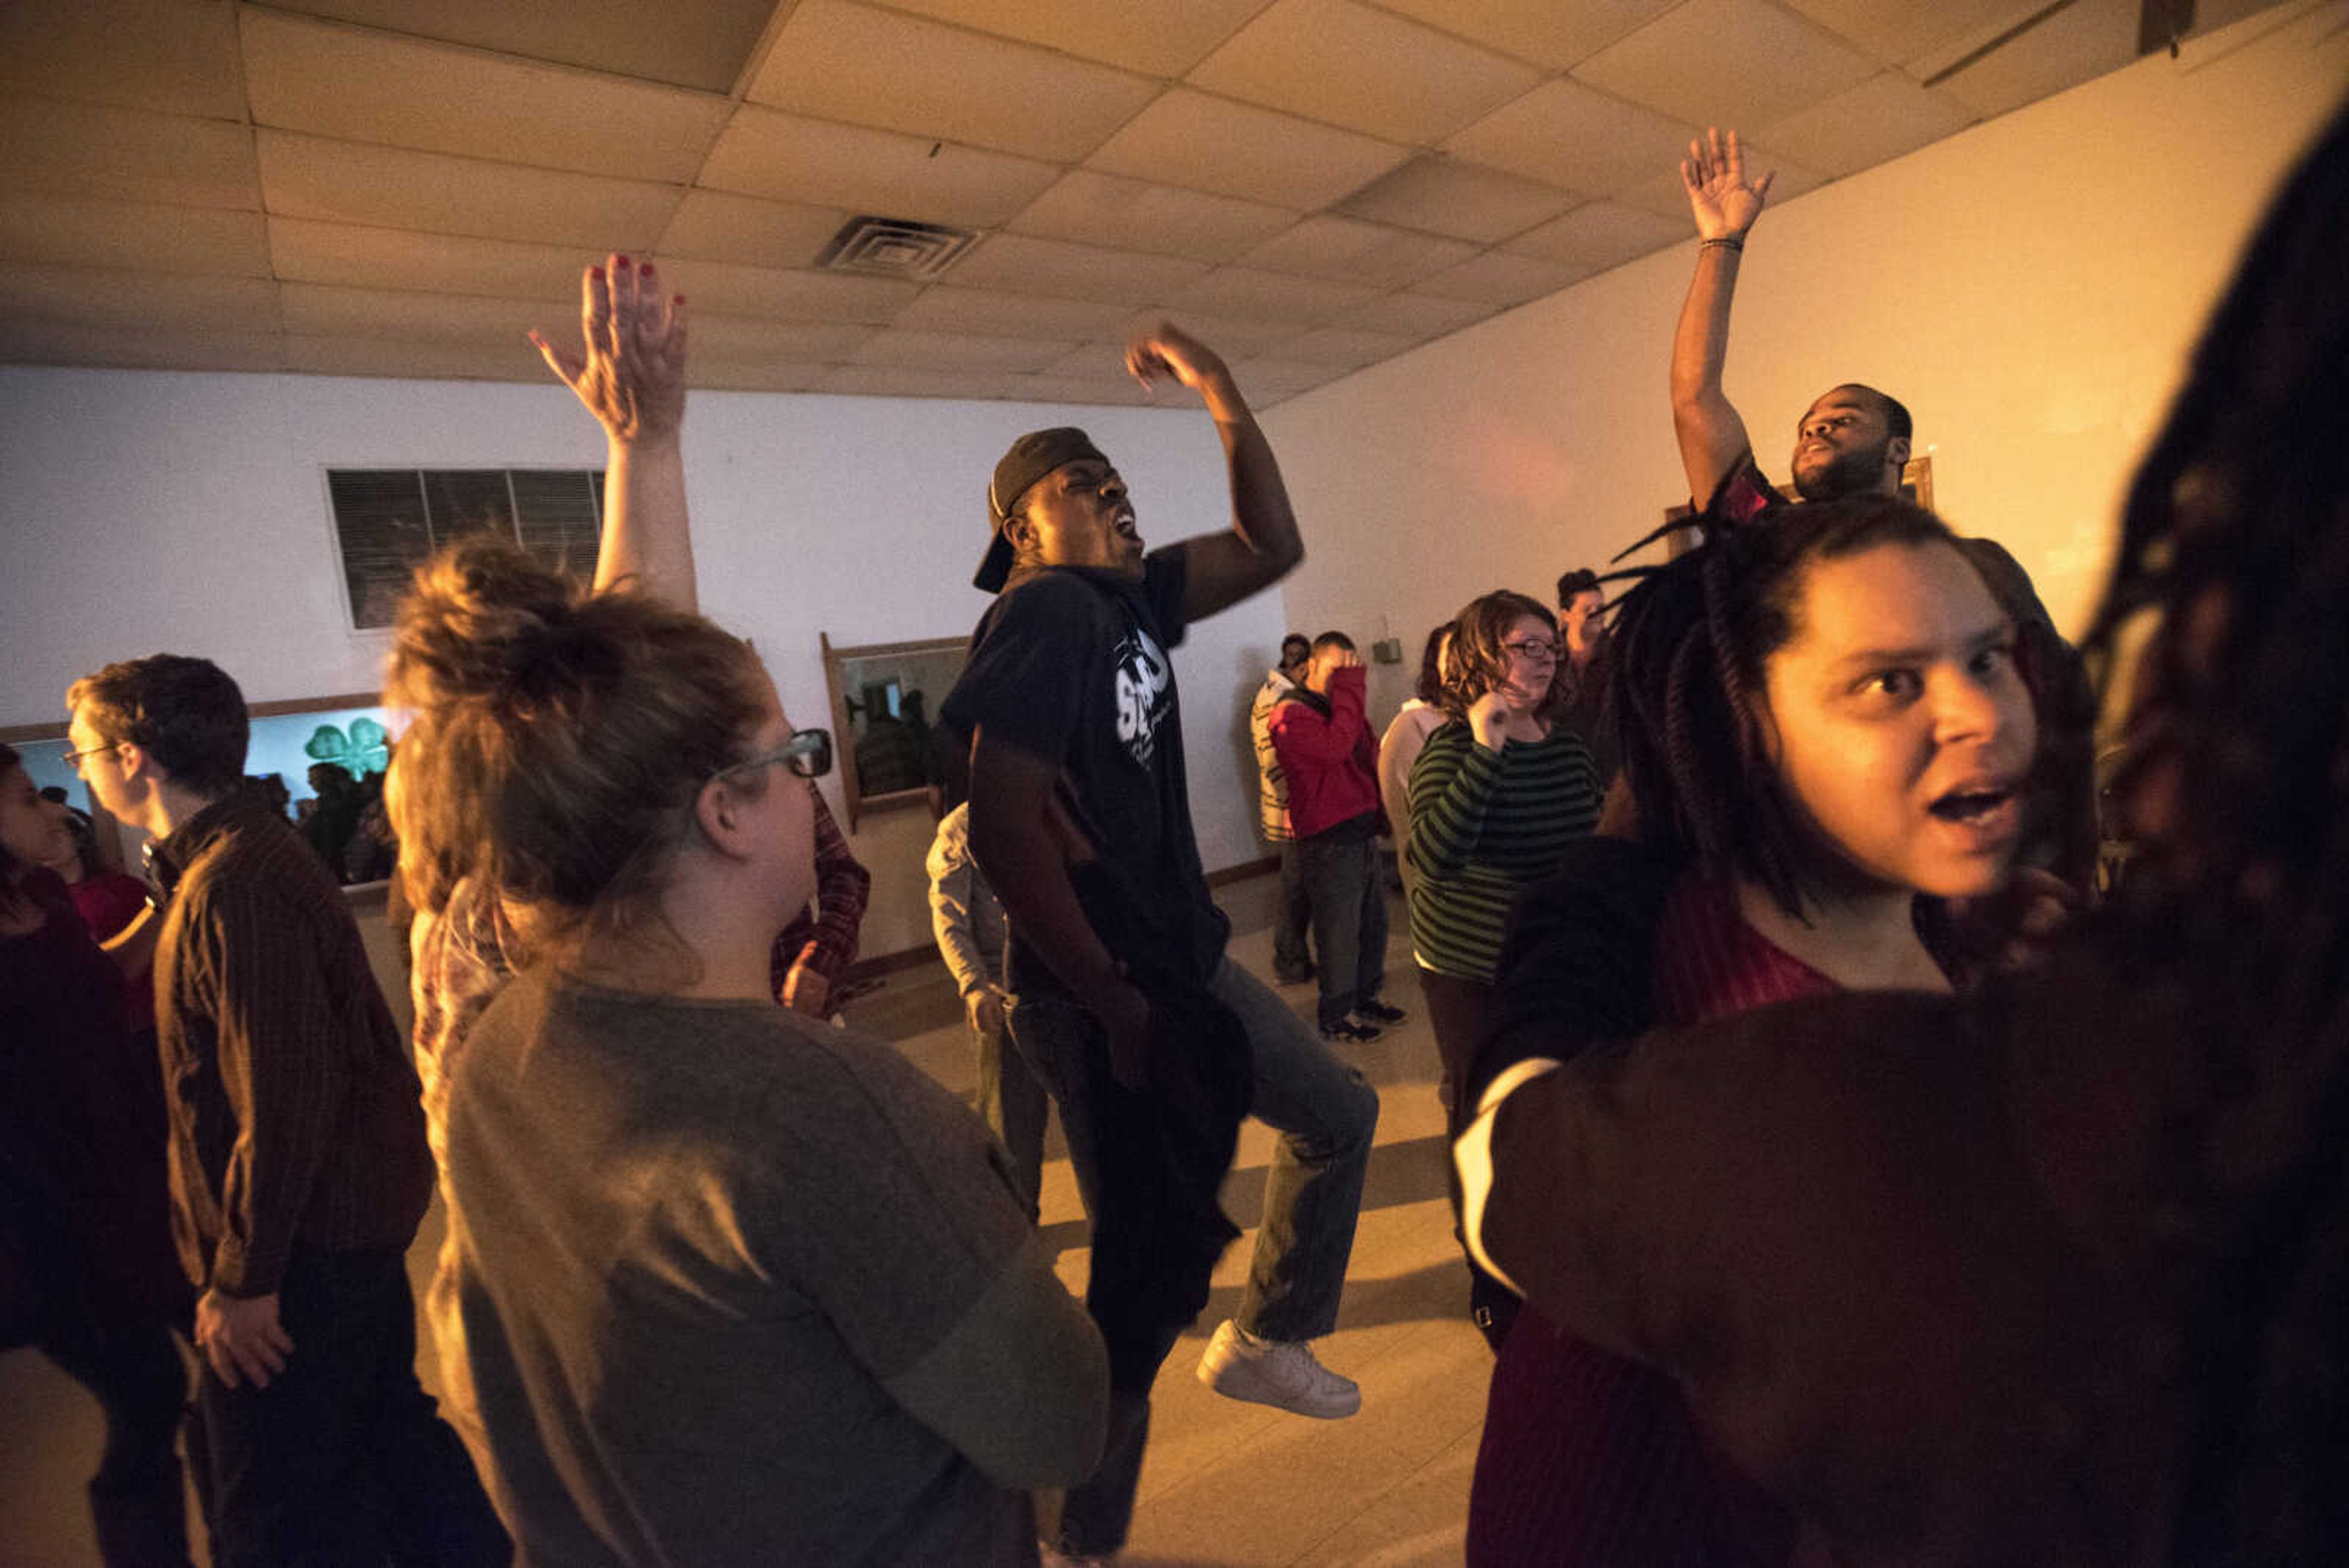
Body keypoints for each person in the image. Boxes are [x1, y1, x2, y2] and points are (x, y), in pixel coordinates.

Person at [1463, 98, 2349, 1565]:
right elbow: (1695, 403)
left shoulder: (1964, 599)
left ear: (1901, 455)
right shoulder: (1742, 551)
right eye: (1882, 678)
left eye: (1845, 420)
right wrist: (1719, 250)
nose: (1816, 428)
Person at [388, 528, 1107, 1566]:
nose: (806, 783)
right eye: (792, 757)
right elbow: (1056, 1419)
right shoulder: (826, 1105)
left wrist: (646, 443)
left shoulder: (501, 1048)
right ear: (724, 810)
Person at [1464, 495, 2048, 1565]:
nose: (1980, 716)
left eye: (1989, 657)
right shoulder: (1770, 1080)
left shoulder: (1949, 937)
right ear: (1747, 727)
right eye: (1889, 680)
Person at [943, 322, 1379, 1561]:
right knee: (1140, 1286)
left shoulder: (1123, 603)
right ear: (1024, 531)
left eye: (1119, 484)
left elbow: (1271, 545)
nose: (1116, 500)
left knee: (1338, 1115)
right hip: (1102, 998)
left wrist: (1221, 389)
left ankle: (1267, 1337)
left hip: (1183, 965)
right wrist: (1115, 1004)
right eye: (1084, 488)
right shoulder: (1044, 617)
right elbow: (1004, 831)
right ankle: (1080, 1537)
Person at [62, 656, 504, 1567]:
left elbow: (281, 1094)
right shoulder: (226, 863)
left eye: (85, 751)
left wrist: (246, 1277)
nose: (79, 772)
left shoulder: (239, 880)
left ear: (136, 755)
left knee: (269, 1504)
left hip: (302, 1254)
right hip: (327, 1234)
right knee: (387, 1433)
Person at [1, 743, 193, 1567]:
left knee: (211, 1362)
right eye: (22, 799)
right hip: (47, 1200)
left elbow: (98, 987)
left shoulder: (42, 890)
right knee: (147, 1391)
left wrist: (166, 916)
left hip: (127, 1161)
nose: (50, 811)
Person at [1267, 630, 1404, 1042]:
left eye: (1350, 669)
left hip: (1360, 830)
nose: (1343, 678)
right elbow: (1336, 748)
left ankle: (1365, 997)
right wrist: (1350, 687)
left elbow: (1369, 753)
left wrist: (1384, 814)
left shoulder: (1340, 706)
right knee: (1338, 931)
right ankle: (1336, 1014)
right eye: (1336, 669)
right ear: (1311, 663)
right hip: (1326, 838)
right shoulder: (1290, 713)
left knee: (1373, 925)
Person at [929, 798, 1050, 1218]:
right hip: (1003, 996)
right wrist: (974, 985)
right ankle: (1016, 1219)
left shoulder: (1056, 807)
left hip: (1061, 986)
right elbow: (949, 918)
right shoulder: (959, 830)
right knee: (1010, 1123)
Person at [768, 783, 870, 1019]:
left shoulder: (784, 776)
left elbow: (844, 874)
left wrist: (819, 960)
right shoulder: (671, 787)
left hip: (798, 1003)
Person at [1251, 631, 1316, 984]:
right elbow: (1272, 758)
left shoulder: (1290, 695)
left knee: (1301, 887)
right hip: (1294, 810)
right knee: (1295, 889)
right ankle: (1290, 960)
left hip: (1302, 807)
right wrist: (1299, 803)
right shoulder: (1273, 698)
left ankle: (1296, 958)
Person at [1377, 623, 1452, 908]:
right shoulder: (1413, 725)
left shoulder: (1484, 718)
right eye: (1453, 656)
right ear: (1436, 666)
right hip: (1438, 885)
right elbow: (1413, 824)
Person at [1553, 567, 1617, 786]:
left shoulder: (1620, 653)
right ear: (1566, 615)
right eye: (1588, 609)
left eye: (1601, 607)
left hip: (1612, 773)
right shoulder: (1548, 658)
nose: (1598, 614)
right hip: (1563, 773)